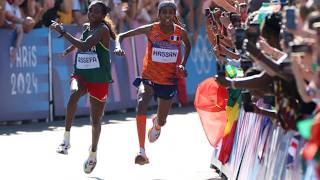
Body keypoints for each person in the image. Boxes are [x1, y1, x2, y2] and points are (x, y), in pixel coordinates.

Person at [114, 0, 191, 165]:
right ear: (158, 14)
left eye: (171, 12)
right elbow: (121, 35)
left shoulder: (180, 32)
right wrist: (118, 47)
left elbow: (188, 46)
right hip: (148, 77)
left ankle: (157, 123)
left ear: (175, 14)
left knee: (163, 120)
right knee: (141, 104)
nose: (168, 16)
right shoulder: (151, 29)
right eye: (164, 12)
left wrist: (182, 65)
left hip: (168, 80)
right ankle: (141, 151)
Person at [49, 0, 117, 174]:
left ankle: (93, 153)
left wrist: (63, 32)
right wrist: (68, 51)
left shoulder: (102, 30)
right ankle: (66, 139)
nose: (91, 14)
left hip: (99, 78)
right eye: (90, 10)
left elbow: (86, 45)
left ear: (103, 15)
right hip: (82, 73)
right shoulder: (88, 27)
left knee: (95, 120)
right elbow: (81, 41)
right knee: (74, 94)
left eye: (95, 12)